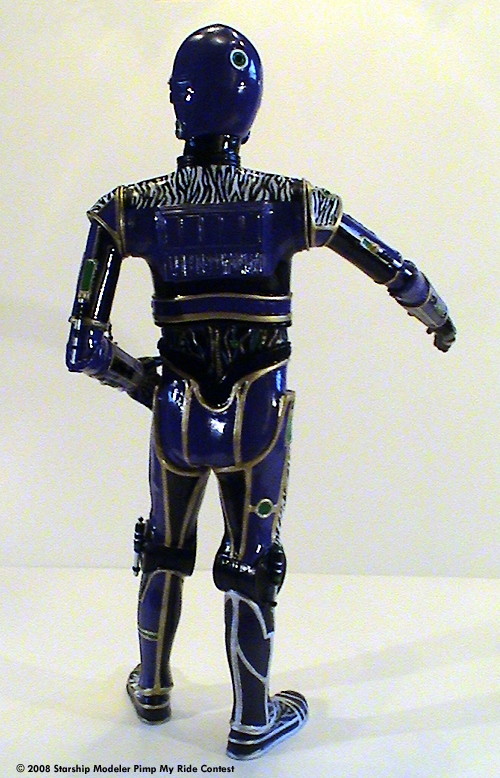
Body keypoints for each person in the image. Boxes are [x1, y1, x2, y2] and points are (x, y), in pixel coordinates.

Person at [66, 24, 456, 760]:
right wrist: (437, 316)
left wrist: (145, 382)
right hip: (260, 414)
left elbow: (83, 347)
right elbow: (393, 267)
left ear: (178, 101)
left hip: (175, 413)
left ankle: (153, 688)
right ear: (251, 106)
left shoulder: (127, 210)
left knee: (162, 545)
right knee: (253, 558)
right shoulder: (293, 202)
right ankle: (251, 716)